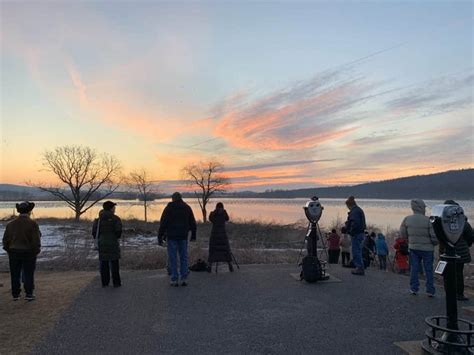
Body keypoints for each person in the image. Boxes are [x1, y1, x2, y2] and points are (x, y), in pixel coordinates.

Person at [2, 201, 41, 301]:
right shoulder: (33, 224)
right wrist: (36, 251)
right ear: (29, 211)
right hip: (28, 252)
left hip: (13, 252)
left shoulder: (10, 224)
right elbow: (36, 240)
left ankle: (15, 294)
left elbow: (5, 240)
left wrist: (9, 250)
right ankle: (29, 293)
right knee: (28, 273)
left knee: (14, 273)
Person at [400, 199, 438, 297]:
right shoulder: (428, 220)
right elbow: (434, 236)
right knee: (428, 269)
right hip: (428, 249)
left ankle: (414, 288)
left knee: (414, 268)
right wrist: (434, 243)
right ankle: (430, 290)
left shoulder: (407, 219)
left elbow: (403, 234)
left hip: (413, 247)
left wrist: (410, 241)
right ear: (422, 208)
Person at [158, 192, 197, 286]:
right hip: (183, 236)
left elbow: (163, 223)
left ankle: (174, 279)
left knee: (173, 258)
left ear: (173, 199)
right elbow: (192, 222)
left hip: (172, 236)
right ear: (181, 198)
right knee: (184, 257)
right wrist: (193, 235)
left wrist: (160, 236)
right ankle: (184, 278)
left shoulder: (169, 208)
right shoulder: (187, 207)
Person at [440, 200, 473, 301]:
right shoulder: (464, 222)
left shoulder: (442, 222)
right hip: (461, 252)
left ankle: (449, 293)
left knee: (447, 273)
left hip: (445, 251)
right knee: (458, 273)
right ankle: (459, 294)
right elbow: (471, 236)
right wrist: (467, 244)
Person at [92, 201, 122, 288]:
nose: (115, 209)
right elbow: (118, 232)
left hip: (102, 243)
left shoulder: (98, 220)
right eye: (114, 207)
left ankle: (105, 283)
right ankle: (116, 282)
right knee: (114, 262)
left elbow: (94, 232)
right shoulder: (116, 219)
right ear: (111, 208)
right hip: (113, 243)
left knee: (104, 263)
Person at [342, 196, 367, 275]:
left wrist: (349, 230)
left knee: (356, 251)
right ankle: (359, 266)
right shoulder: (358, 210)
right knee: (358, 250)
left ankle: (359, 267)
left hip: (357, 233)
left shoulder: (355, 212)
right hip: (360, 233)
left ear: (349, 205)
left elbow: (354, 222)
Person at [208, 202, 233, 272]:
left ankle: (210, 266)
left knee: (212, 250)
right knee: (226, 250)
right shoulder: (224, 214)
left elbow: (210, 218)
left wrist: (215, 211)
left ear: (216, 207)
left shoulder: (212, 213)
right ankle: (230, 266)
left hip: (214, 235)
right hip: (223, 235)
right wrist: (224, 211)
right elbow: (227, 218)